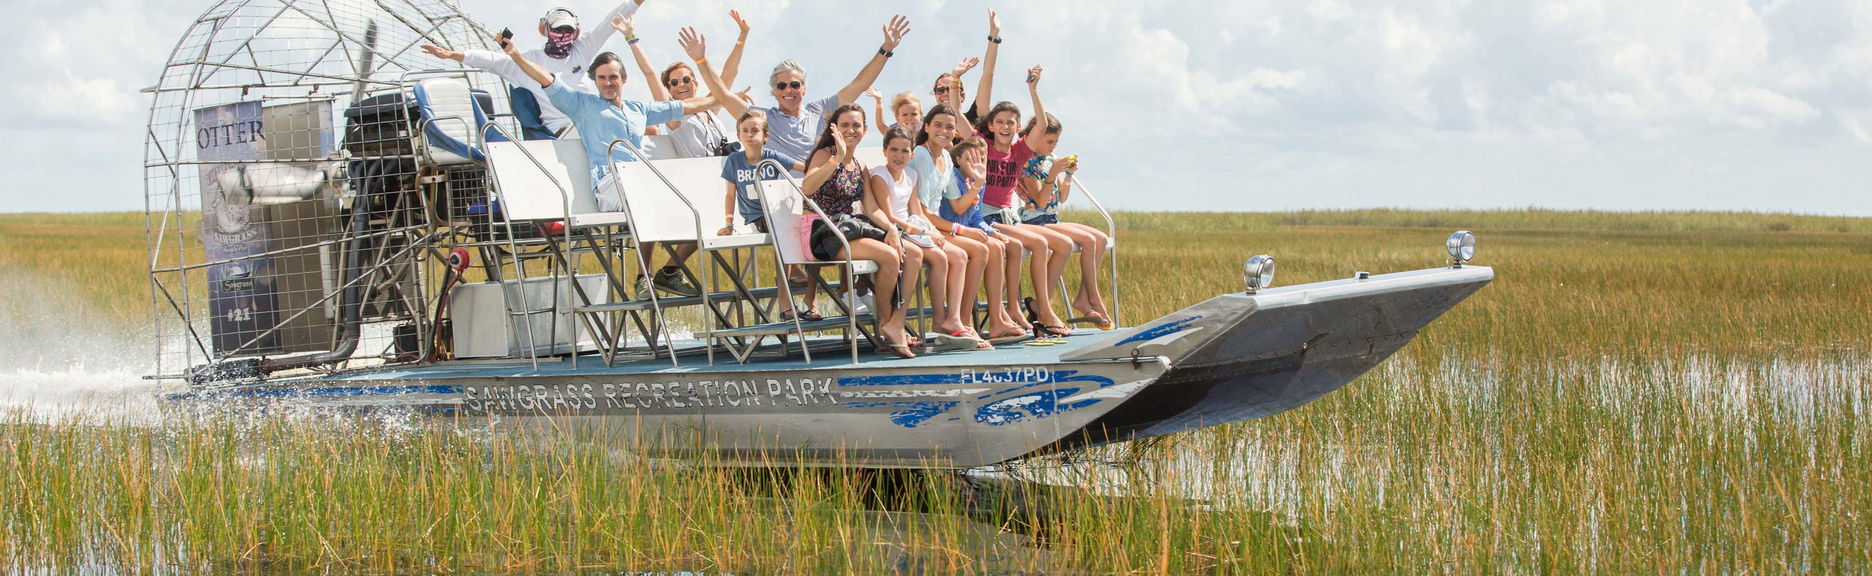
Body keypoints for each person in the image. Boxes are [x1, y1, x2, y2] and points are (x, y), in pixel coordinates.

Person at [499, 36, 715, 299]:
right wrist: (516, 55)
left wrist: (726, 98)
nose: (607, 83)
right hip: (608, 185)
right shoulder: (583, 105)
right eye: (601, 78)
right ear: (595, 81)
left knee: (696, 201)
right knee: (645, 189)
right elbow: (547, 79)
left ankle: (668, 272)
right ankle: (643, 278)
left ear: (623, 79)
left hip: (639, 183)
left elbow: (687, 106)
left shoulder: (638, 109)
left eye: (612, 77)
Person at [693, 16, 913, 168]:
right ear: (775, 91)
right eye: (782, 86)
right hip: (785, 194)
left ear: (804, 88)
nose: (789, 90)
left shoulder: (820, 109)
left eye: (795, 85)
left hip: (821, 190)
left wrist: (886, 49)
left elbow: (858, 84)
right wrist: (701, 60)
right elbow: (722, 94)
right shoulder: (763, 118)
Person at [421, 1, 646, 139]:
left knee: (647, 130)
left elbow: (611, 21)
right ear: (544, 29)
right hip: (563, 132)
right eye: (557, 30)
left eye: (568, 30)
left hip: (595, 123)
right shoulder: (527, 61)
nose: (562, 36)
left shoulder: (582, 48)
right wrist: (451, 54)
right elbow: (490, 59)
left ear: (576, 32)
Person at [973, 66, 1074, 338]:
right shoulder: (982, 145)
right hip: (986, 217)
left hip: (1010, 217)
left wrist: (1033, 89)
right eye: (1001, 122)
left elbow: (1041, 125)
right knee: (1035, 244)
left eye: (1011, 123)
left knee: (1049, 244)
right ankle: (1019, 308)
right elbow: (964, 117)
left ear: (1018, 128)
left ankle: (1041, 309)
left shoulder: (1019, 152)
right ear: (992, 126)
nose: (1006, 127)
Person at [910, 105, 1024, 342]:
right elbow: (921, 210)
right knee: (977, 249)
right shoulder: (920, 155)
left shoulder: (943, 157)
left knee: (992, 245)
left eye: (950, 127)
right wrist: (960, 229)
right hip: (921, 224)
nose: (945, 130)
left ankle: (985, 320)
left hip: (936, 225)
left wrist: (979, 183)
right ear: (927, 127)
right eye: (938, 125)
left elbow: (959, 206)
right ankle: (959, 320)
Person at [871, 126, 983, 349]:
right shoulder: (879, 174)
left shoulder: (911, 175)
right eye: (893, 150)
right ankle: (897, 319)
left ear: (911, 154)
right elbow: (889, 215)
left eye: (904, 151)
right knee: (917, 253)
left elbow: (917, 211)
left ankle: (942, 320)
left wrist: (930, 229)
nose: (899, 156)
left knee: (949, 256)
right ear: (885, 151)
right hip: (892, 230)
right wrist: (923, 232)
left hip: (913, 228)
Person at [715, 111, 820, 320]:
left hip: (778, 213)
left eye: (755, 130)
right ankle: (786, 301)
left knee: (812, 229)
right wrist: (729, 223)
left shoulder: (772, 156)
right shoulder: (734, 161)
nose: (749, 134)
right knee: (784, 235)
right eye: (744, 131)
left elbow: (804, 168)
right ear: (739, 135)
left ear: (765, 136)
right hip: (758, 216)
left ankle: (809, 294)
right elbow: (730, 194)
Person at [1017, 113, 1111, 329]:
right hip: (1035, 222)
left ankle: (1082, 298)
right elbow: (1040, 202)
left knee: (1100, 238)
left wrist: (1067, 175)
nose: (1053, 146)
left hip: (1052, 219)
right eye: (1049, 141)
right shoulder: (1028, 164)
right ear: (1036, 137)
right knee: (1086, 240)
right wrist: (1052, 174)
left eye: (1056, 142)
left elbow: (1062, 198)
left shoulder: (1050, 160)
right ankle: (1090, 300)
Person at [619, 11, 752, 157]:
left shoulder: (709, 107)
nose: (681, 84)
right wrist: (630, 37)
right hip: (696, 175)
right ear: (669, 90)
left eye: (686, 80)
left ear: (696, 83)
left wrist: (742, 37)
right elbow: (650, 73)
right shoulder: (673, 115)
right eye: (674, 83)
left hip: (725, 173)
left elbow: (729, 74)